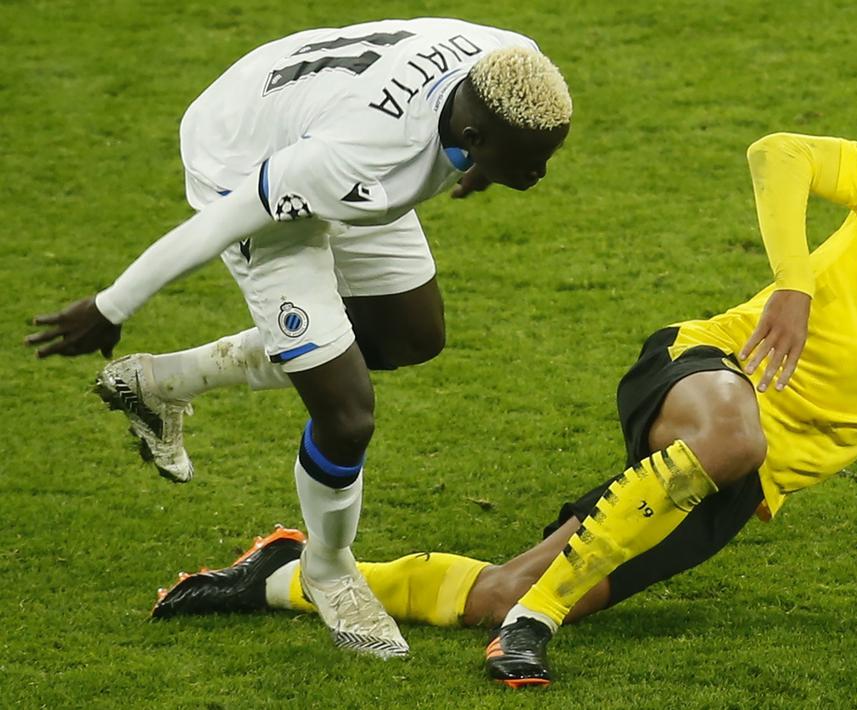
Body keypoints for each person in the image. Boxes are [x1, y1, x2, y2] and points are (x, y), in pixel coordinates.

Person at [147, 112, 857, 684]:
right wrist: (795, 283)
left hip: (736, 487)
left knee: (499, 586)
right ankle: (532, 631)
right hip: (699, 374)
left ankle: (282, 571)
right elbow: (778, 153)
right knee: (732, 427)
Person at [24, 18, 572, 659]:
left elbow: (451, 127)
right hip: (245, 158)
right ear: (474, 134)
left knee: (410, 336)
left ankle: (160, 384)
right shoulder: (359, 154)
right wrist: (111, 305)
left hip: (319, 121)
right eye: (532, 161)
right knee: (346, 413)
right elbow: (224, 223)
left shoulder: (512, 62)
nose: (541, 174)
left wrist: (480, 163)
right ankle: (330, 569)